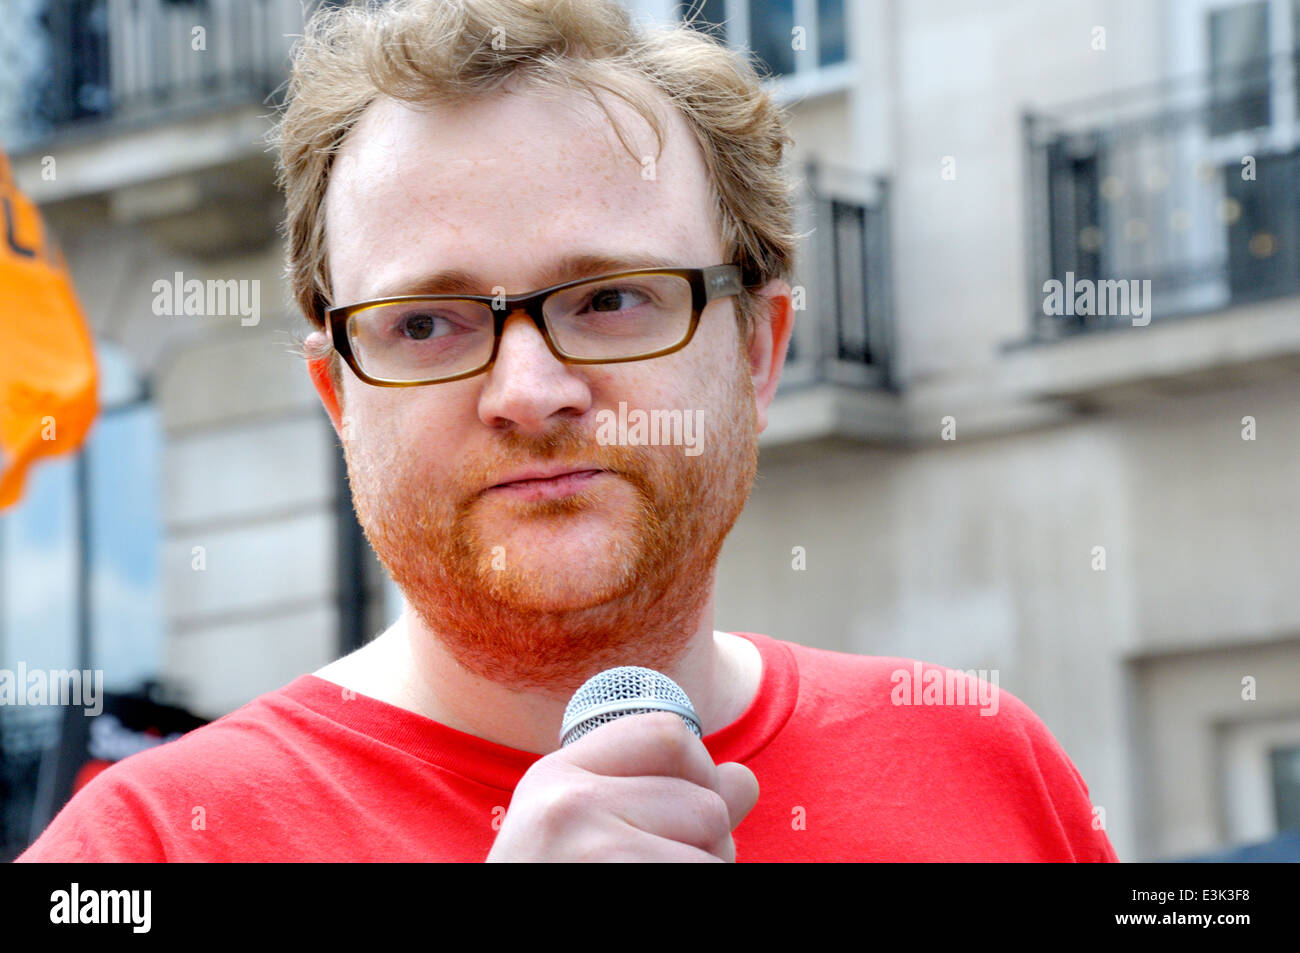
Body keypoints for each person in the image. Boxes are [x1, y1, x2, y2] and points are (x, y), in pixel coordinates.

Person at [18, 0, 1118, 862]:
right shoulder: (140, 850)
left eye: (608, 300)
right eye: (427, 323)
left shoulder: (985, 763)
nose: (530, 389)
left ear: (756, 351)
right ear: (341, 398)